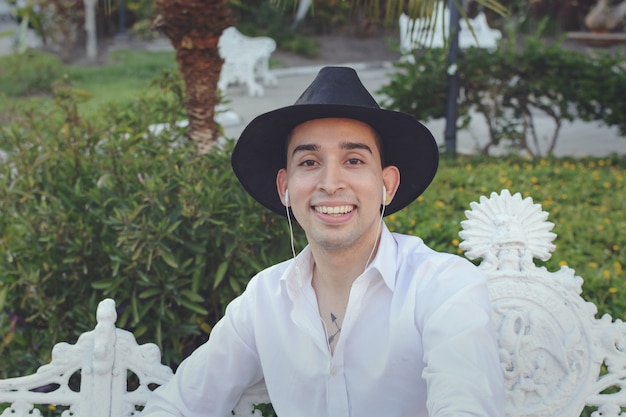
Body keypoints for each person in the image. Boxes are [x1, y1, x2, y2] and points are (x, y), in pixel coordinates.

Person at [140, 66, 505, 417]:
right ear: (285, 187)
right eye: (310, 162)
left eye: (354, 160)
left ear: (387, 185)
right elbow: (180, 404)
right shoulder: (265, 299)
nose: (331, 182)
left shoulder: (443, 287)